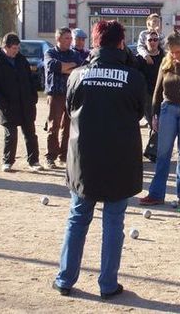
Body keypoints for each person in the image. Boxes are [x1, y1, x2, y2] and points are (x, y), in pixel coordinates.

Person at [53, 20, 146, 299]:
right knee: (113, 221)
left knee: (78, 217)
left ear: (94, 43)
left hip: (85, 158)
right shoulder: (134, 77)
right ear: (121, 43)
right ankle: (107, 284)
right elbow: (140, 113)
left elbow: (69, 111)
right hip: (119, 158)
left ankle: (65, 279)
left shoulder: (77, 75)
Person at [139, 30, 180, 206]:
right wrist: (154, 115)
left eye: (178, 52)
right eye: (172, 52)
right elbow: (157, 91)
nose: (175, 55)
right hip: (167, 109)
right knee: (163, 154)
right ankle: (156, 193)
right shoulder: (166, 63)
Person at [0, 32, 43, 172]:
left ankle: (34, 161)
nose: (16, 51)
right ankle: (7, 161)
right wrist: (3, 104)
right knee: (11, 135)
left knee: (30, 134)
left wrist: (33, 98)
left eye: (17, 48)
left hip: (26, 104)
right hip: (8, 106)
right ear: (5, 47)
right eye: (13, 48)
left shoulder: (22, 60)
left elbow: (31, 81)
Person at [44, 27, 81, 169]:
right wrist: (67, 67)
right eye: (67, 38)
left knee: (68, 127)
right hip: (56, 94)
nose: (70, 41)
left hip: (71, 94)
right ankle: (50, 156)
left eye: (71, 38)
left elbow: (79, 68)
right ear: (58, 39)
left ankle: (64, 155)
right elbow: (52, 65)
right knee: (54, 126)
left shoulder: (74, 54)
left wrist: (64, 67)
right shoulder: (50, 52)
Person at [137, 31, 165, 163]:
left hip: (160, 95)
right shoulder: (140, 58)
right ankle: (151, 150)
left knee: (158, 123)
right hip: (146, 94)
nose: (153, 42)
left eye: (155, 39)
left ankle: (151, 150)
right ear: (146, 42)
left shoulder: (164, 57)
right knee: (152, 121)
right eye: (150, 40)